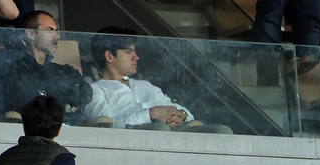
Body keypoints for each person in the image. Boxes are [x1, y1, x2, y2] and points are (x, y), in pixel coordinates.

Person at [86, 32, 222, 132]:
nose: (136, 57)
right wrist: (151, 115)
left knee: (220, 131)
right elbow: (106, 125)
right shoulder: (93, 91)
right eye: (128, 52)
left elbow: (182, 110)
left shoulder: (145, 85)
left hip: (173, 132)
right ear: (109, 56)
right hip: (134, 138)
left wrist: (182, 115)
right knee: (160, 129)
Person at [2, 12, 92, 119]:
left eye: (57, 31)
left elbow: (86, 93)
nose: (57, 36)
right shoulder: (13, 70)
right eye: (49, 30)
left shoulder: (65, 71)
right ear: (31, 34)